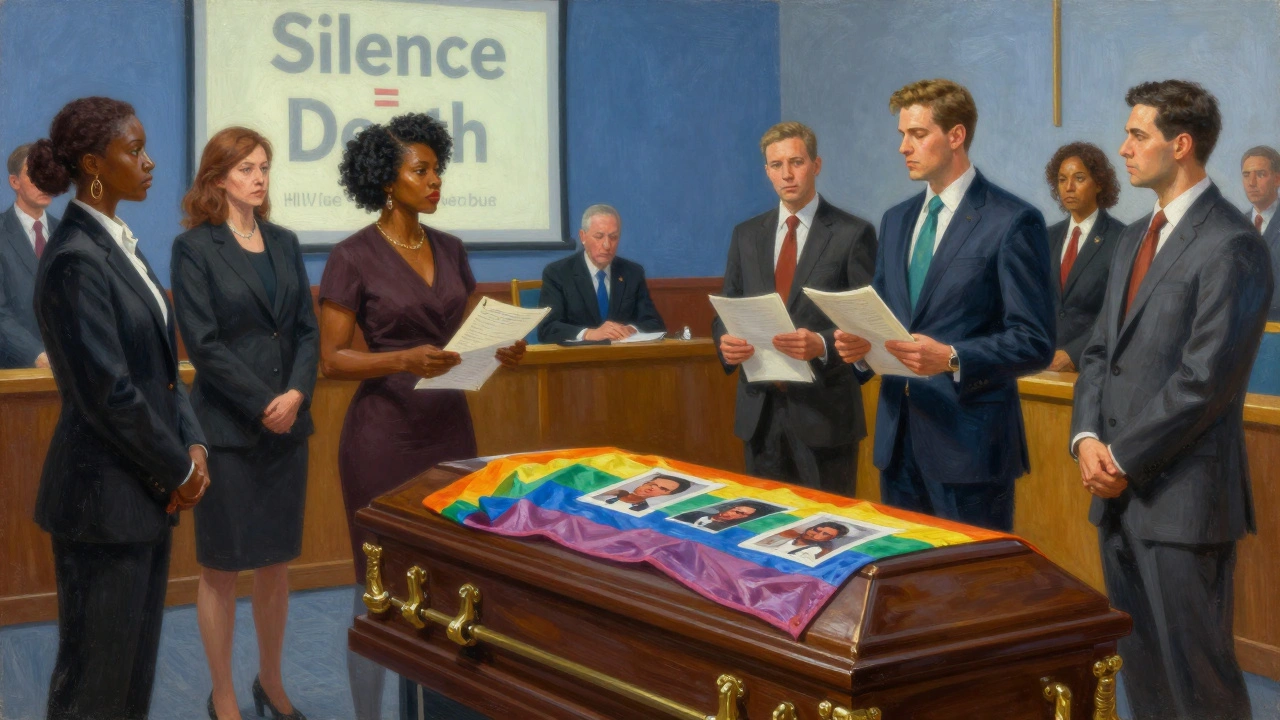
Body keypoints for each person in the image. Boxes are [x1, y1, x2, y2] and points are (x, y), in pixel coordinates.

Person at [1070, 80, 1269, 720]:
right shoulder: (1131, 237)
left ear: (1180, 145)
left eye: (1137, 135)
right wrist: (1086, 440)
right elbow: (1099, 352)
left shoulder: (1234, 243)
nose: (1123, 148)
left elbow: (1203, 383)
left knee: (1199, 686)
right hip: (1121, 497)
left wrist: (1119, 456)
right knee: (1146, 680)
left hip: (1184, 503)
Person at [318, 112, 526, 720]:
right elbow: (331, 360)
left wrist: (503, 348)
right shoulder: (352, 256)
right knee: (376, 587)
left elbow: (466, 333)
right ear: (388, 179)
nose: (436, 180)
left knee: (448, 580)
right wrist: (401, 358)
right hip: (382, 438)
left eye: (438, 168)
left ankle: (443, 708)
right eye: (422, 170)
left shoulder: (453, 249)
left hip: (450, 431)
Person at [27, 96, 210, 720]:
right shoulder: (74, 259)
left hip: (144, 495)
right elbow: (107, 393)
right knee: (93, 689)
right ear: (92, 163)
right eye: (134, 150)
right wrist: (181, 472)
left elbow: (161, 372)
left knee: (132, 682)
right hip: (100, 505)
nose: (150, 161)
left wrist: (194, 447)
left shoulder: (121, 245)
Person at [834, 79, 1055, 531]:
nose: (903, 147)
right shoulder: (896, 220)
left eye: (917, 134)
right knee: (908, 589)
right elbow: (886, 317)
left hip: (970, 449)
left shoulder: (1012, 220)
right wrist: (861, 349)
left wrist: (952, 357)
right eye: (901, 135)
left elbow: (1035, 340)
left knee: (970, 594)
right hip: (897, 445)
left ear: (955, 136)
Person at [171, 127, 318, 720]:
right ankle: (224, 692)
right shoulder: (195, 248)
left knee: (277, 564)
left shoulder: (284, 241)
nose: (259, 178)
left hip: (289, 425)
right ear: (217, 178)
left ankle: (270, 681)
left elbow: (306, 330)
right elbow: (203, 347)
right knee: (222, 567)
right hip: (231, 430)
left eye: (264, 167)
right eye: (246, 168)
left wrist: (297, 394)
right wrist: (265, 402)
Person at [712, 122, 877, 497]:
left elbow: (866, 325)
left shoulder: (853, 234)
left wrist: (822, 344)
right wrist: (724, 341)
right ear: (766, 172)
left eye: (796, 162)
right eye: (776, 165)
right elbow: (727, 307)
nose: (786, 174)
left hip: (824, 415)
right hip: (759, 413)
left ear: (816, 165)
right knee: (764, 532)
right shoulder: (746, 234)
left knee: (827, 532)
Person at [1043, 142, 1125, 371]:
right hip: (1041, 367)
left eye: (1079, 178)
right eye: (1061, 180)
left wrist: (1072, 354)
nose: (1068, 187)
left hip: (1094, 368)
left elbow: (1118, 314)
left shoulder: (1122, 239)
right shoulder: (1046, 237)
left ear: (1099, 183)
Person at [537, 204, 665, 342]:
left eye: (613, 237)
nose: (607, 245)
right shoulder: (558, 273)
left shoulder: (632, 273)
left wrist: (631, 329)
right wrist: (588, 334)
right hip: (577, 359)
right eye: (599, 236)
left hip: (622, 358)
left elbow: (654, 323)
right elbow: (547, 328)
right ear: (583, 237)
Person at [0, 143, 58, 368]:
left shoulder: (68, 234)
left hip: (72, 371)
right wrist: (36, 355)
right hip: (15, 371)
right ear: (14, 182)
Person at [1240, 145, 1280, 319]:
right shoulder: (1234, 225)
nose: (1252, 183)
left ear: (1277, 179)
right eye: (1246, 175)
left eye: (1261, 174)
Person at [754, 522, 848, 562]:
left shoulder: (814, 552)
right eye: (816, 530)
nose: (815, 535)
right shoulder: (785, 533)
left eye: (825, 534)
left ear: (829, 540)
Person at [595, 475, 692, 512]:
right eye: (653, 484)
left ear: (667, 495)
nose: (652, 488)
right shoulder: (610, 490)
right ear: (645, 483)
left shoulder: (645, 510)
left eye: (663, 489)